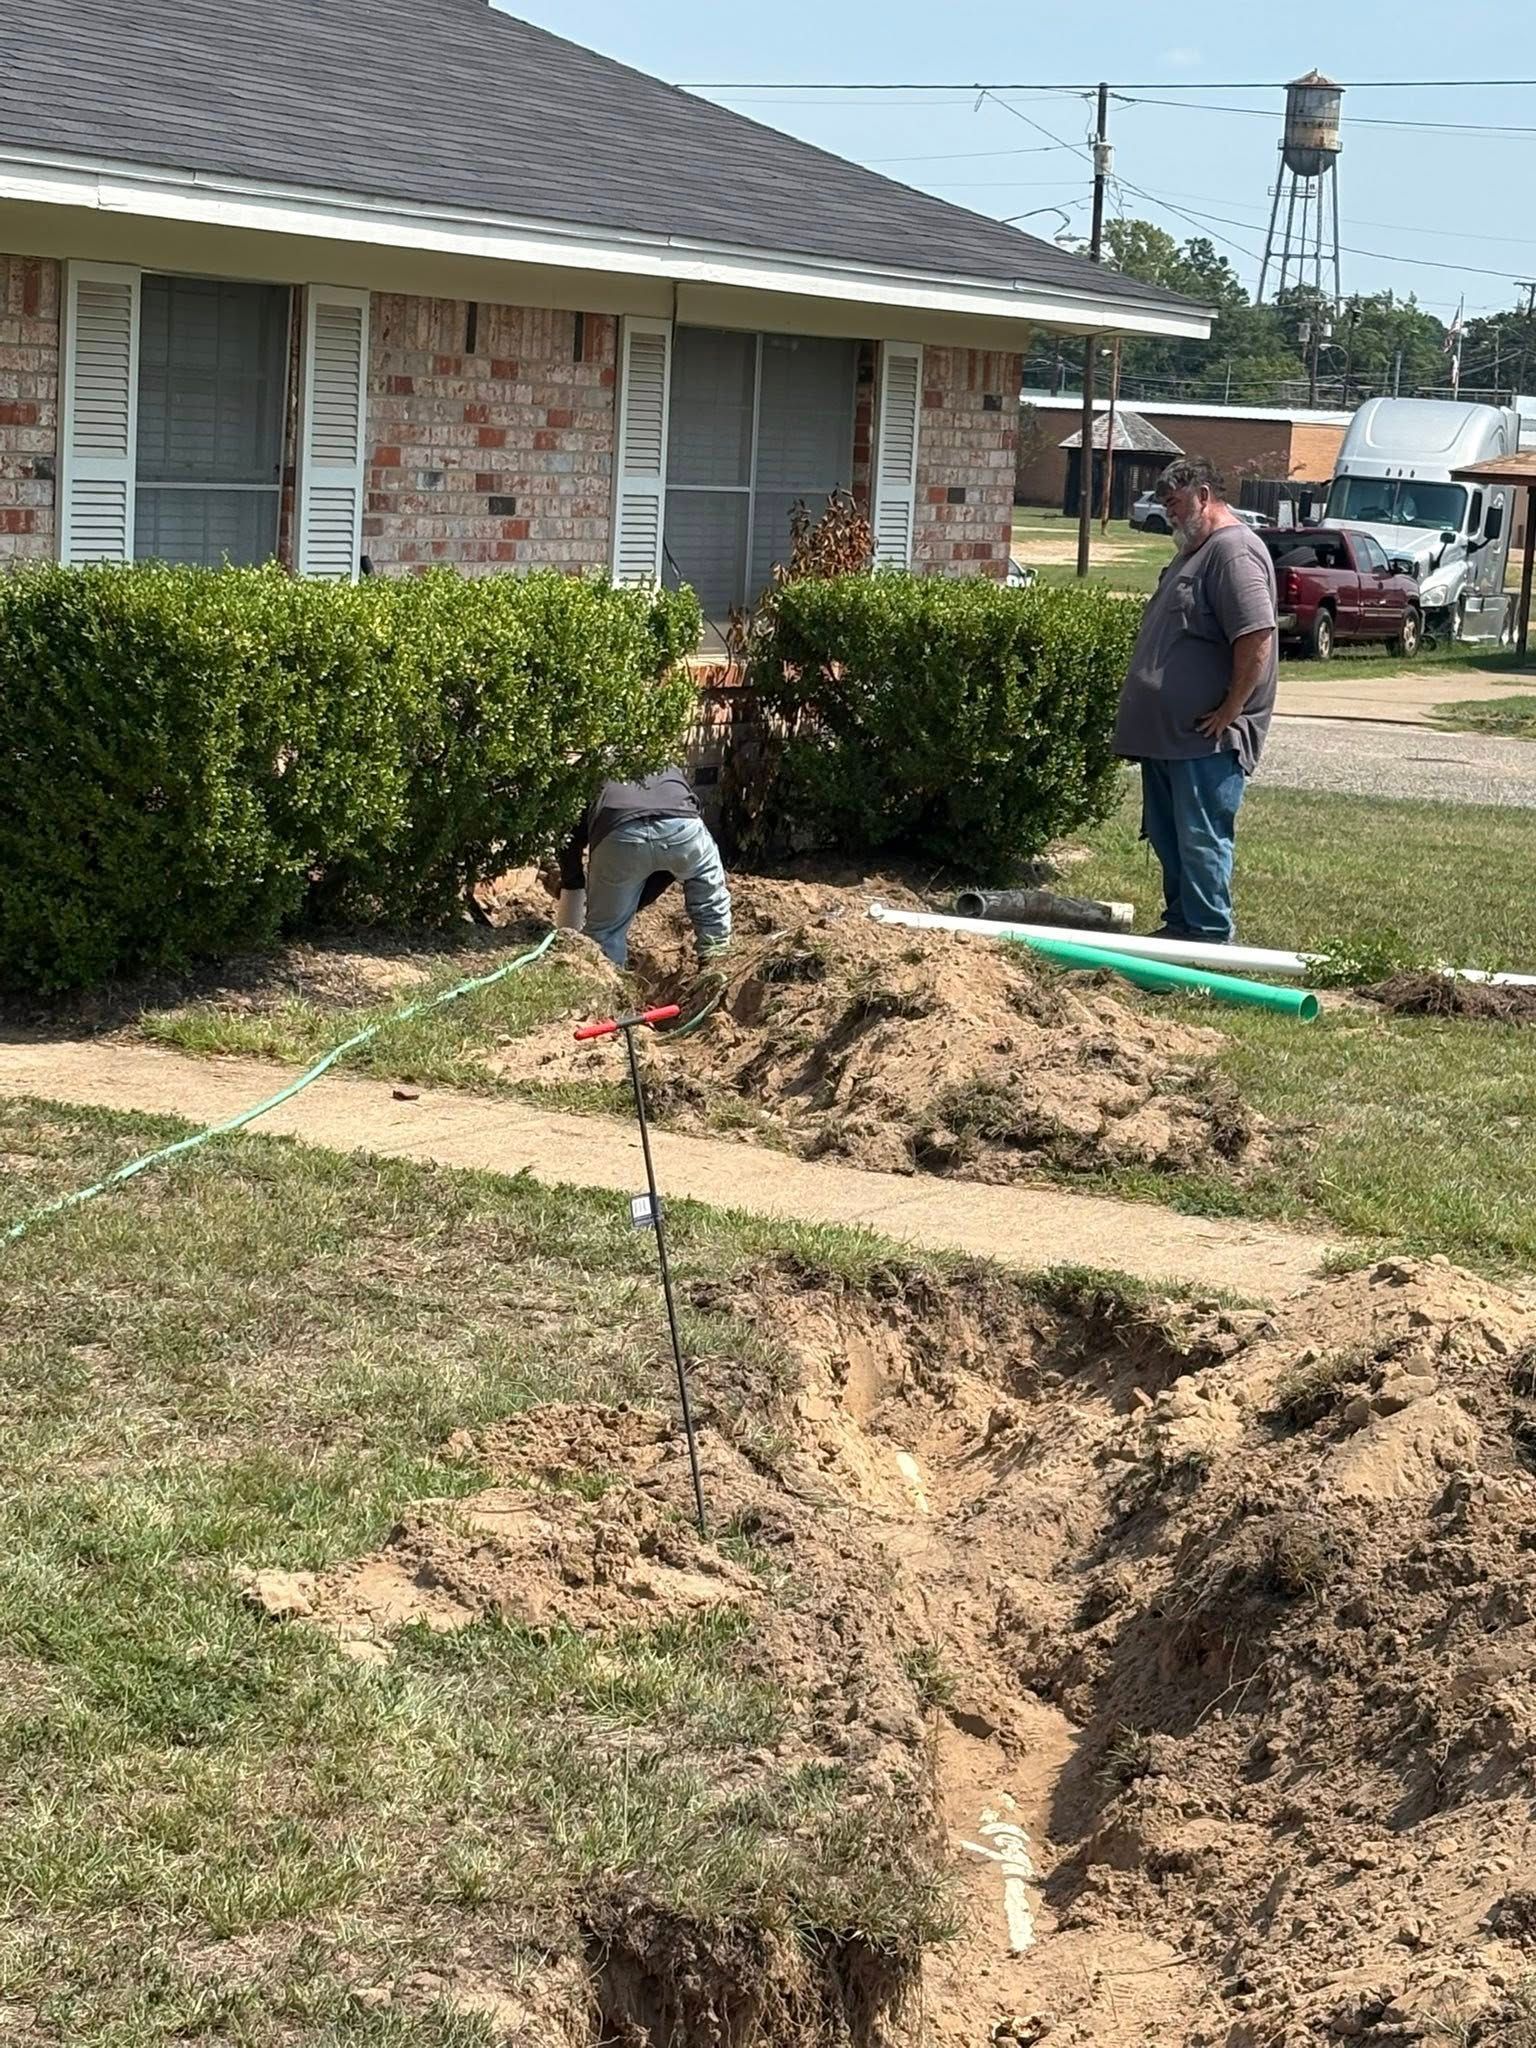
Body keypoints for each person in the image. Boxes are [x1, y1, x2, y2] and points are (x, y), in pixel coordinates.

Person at [1112, 456, 1278, 944]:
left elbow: (1257, 635)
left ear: (1204, 496)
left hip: (1205, 739)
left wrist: (1231, 709)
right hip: (1169, 738)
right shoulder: (1194, 551)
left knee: (1200, 839)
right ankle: (1181, 926)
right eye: (1164, 506)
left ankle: (1209, 938)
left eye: (1177, 503)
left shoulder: (1233, 551)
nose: (1170, 515)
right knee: (1170, 839)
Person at [557, 766, 732, 972]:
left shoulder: (590, 775)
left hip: (621, 835)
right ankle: (715, 962)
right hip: (682, 829)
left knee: (605, 934)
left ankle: (610, 990)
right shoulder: (663, 762)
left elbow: (568, 840)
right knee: (708, 896)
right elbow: (664, 860)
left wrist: (573, 883)